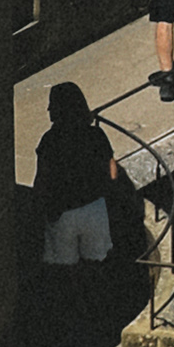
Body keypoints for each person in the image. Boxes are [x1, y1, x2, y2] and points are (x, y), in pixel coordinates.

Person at [32, 84, 120, 270]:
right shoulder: (95, 134)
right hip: (94, 208)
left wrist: (39, 209)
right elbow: (112, 172)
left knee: (64, 268)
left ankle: (72, 297)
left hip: (63, 212)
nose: (48, 109)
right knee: (98, 263)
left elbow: (42, 179)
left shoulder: (50, 140)